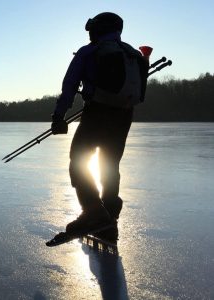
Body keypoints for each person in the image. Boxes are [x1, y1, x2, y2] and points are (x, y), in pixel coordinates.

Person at [50, 12, 148, 240]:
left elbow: (69, 87)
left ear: (97, 29)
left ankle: (94, 212)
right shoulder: (132, 54)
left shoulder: (89, 52)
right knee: (110, 165)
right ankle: (109, 221)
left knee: (79, 161)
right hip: (124, 116)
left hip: (97, 114)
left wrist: (58, 117)